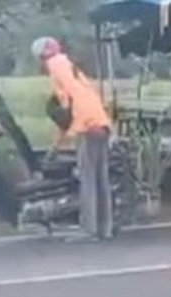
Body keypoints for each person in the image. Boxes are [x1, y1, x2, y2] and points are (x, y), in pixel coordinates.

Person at [31, 37, 114, 241]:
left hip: (87, 124)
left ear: (43, 55)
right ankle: (105, 229)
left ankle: (89, 230)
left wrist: (68, 134)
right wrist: (57, 143)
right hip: (100, 122)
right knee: (100, 179)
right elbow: (78, 99)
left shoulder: (56, 65)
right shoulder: (68, 64)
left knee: (87, 180)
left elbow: (70, 101)